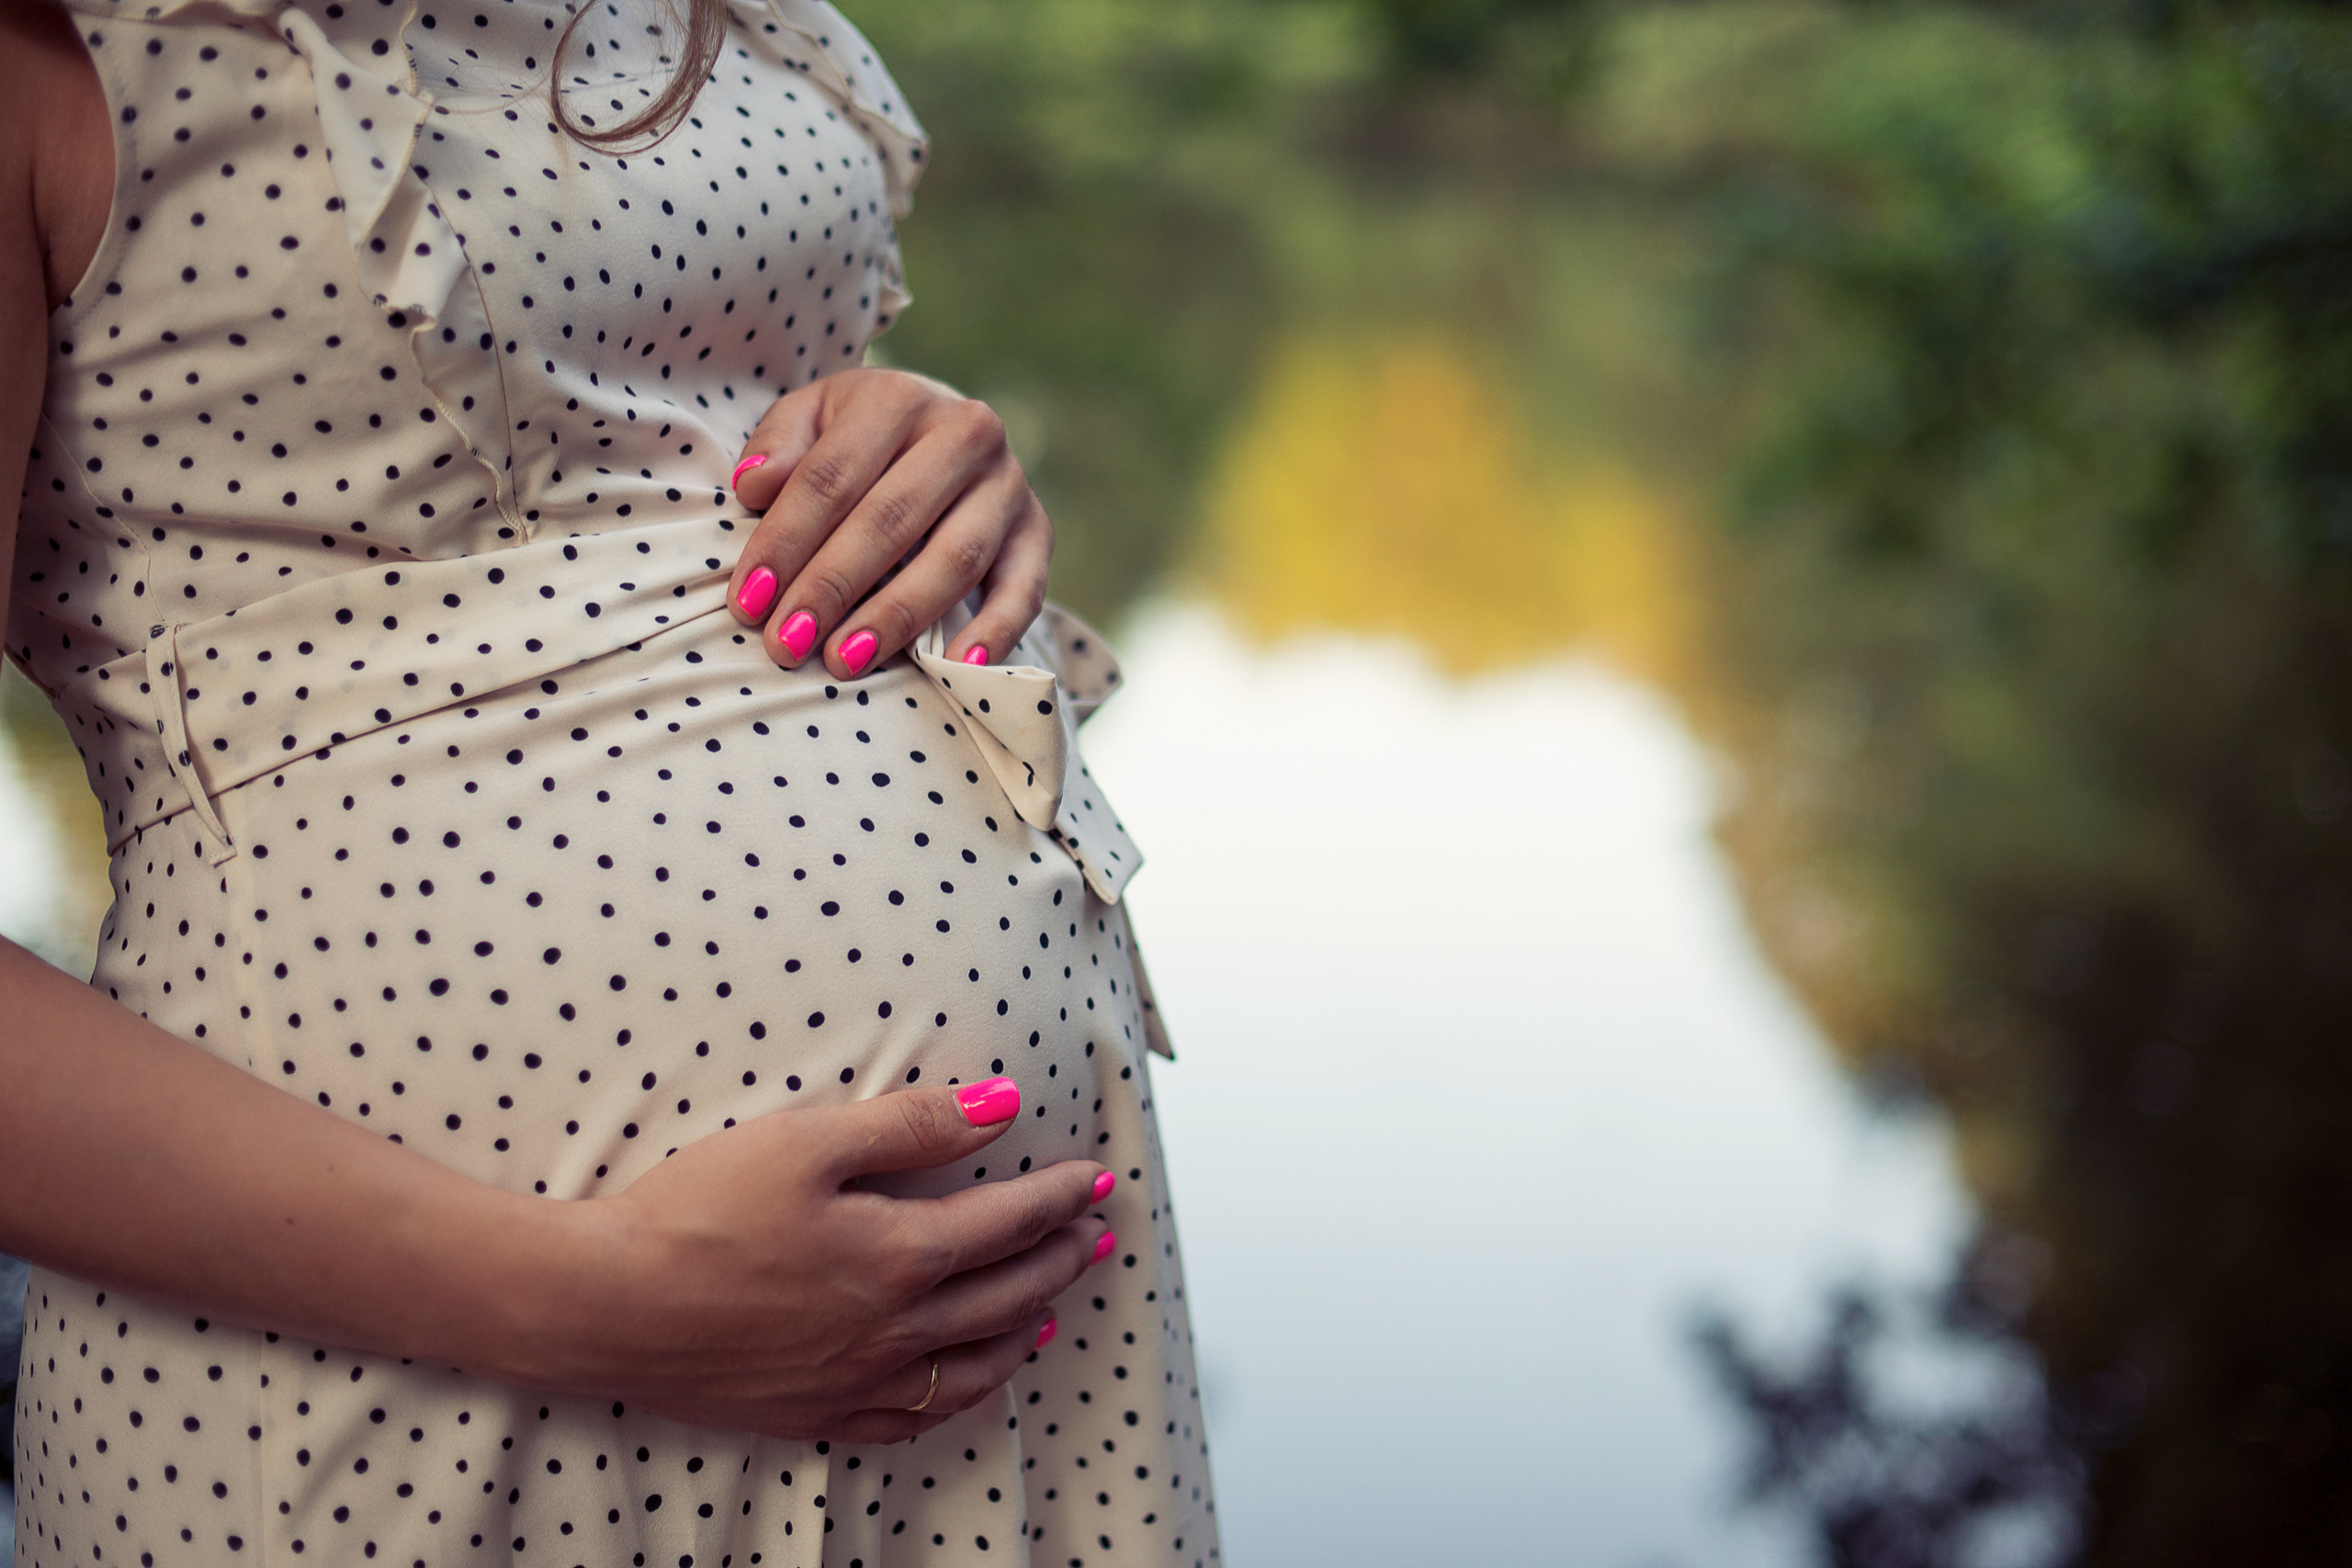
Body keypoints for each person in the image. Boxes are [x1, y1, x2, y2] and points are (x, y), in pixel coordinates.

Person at [0, 0, 1217, 1561]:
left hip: (990, 1360)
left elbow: (647, 468)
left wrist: (912, 466)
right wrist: (599, 1304)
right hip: (405, 1386)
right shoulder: (59, 51)